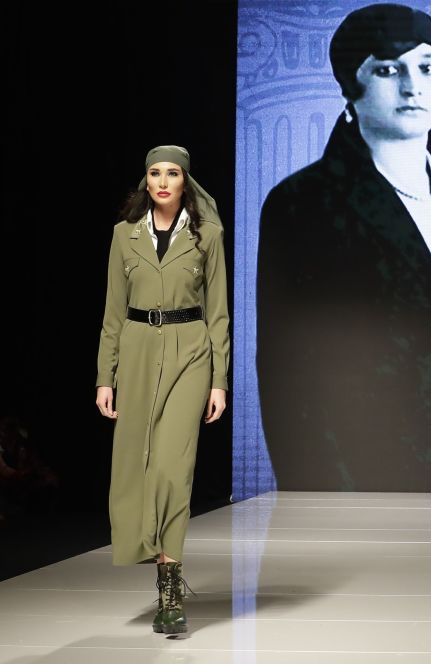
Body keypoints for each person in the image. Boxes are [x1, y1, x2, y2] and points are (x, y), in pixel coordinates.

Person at [256, 3, 431, 493]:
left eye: (428, 67)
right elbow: (288, 375)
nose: (412, 86)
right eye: (387, 69)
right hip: (368, 483)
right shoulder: (302, 205)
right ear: (350, 87)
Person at [96, 145, 230, 635]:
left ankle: (170, 591)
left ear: (185, 181)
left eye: (173, 173)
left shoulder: (207, 235)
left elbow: (218, 313)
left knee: (174, 469)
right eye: (155, 173)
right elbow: (113, 313)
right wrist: (105, 376)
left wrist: (219, 380)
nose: (163, 181)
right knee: (136, 467)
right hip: (136, 351)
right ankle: (155, 560)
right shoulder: (124, 236)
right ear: (146, 181)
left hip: (190, 350)